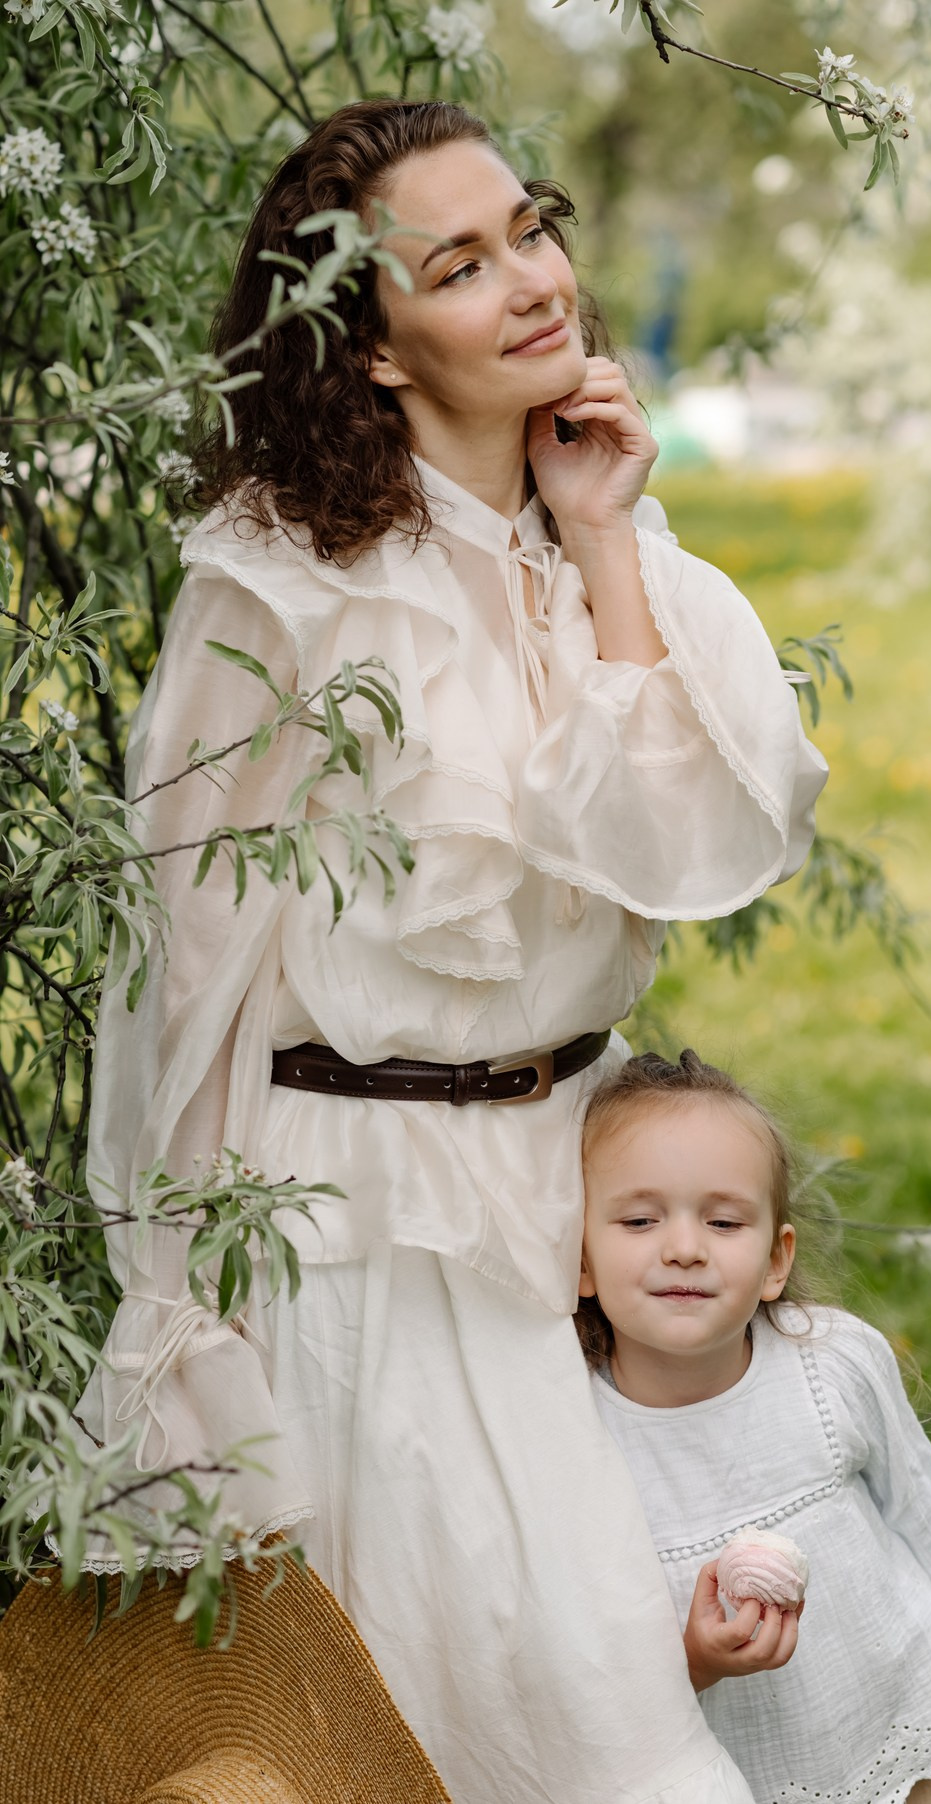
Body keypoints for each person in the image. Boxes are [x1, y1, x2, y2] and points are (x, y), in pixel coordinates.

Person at [71, 99, 829, 1804]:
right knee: (454, 1722)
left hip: (578, 1188)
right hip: (354, 1208)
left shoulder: (637, 564)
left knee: (601, 1703)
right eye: (460, 263)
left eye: (532, 228)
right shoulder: (278, 589)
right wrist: (172, 1309)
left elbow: (688, 849)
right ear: (373, 346)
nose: (532, 280)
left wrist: (604, 539)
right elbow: (182, 965)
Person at [578, 1051, 931, 1804]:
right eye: (641, 1219)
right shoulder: (574, 1431)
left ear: (777, 1260)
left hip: (903, 1741)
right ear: (579, 1261)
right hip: (729, 1774)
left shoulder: (832, 1362)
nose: (684, 1245)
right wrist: (693, 1660)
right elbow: (584, 1660)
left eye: (722, 1220)